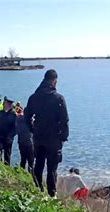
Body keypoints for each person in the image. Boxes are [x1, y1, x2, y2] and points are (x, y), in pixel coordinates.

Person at [25, 69, 69, 197]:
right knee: (52, 168)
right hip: (54, 138)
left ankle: (38, 190)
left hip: (38, 137)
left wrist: (32, 129)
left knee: (38, 164)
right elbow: (64, 120)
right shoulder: (59, 98)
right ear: (55, 82)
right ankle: (52, 194)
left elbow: (27, 116)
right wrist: (63, 137)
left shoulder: (34, 97)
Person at [0, 97, 16, 165]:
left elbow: (15, 128)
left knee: (7, 155)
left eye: (8, 104)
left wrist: (10, 136)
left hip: (8, 138)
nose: (5, 105)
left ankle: (7, 168)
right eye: (5, 103)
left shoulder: (13, 115)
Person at [15, 104, 33, 172]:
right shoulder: (30, 121)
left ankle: (21, 174)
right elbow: (34, 129)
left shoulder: (18, 119)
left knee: (23, 160)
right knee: (31, 162)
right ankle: (31, 177)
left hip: (21, 142)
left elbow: (16, 130)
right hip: (29, 143)